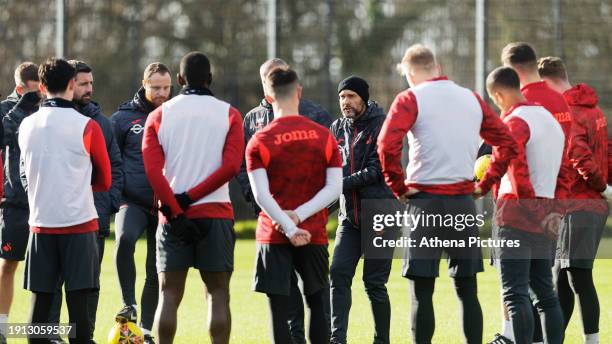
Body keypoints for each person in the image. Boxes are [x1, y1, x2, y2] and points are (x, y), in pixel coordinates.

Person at [377, 44, 518, 344]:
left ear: (411, 72)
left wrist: (398, 187)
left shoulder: (410, 98)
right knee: (467, 291)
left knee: (422, 293)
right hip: (462, 205)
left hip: (424, 204)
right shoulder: (470, 98)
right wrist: (486, 183)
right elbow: (507, 143)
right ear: (437, 67)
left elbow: (386, 145)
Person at [142, 52, 243, 344]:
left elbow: (152, 171)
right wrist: (192, 197)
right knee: (218, 293)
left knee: (168, 294)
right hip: (216, 214)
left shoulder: (158, 115)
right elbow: (231, 167)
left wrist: (176, 207)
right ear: (210, 79)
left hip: (173, 218)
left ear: (180, 80)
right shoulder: (229, 113)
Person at [237, 57, 333, 344]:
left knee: (278, 310)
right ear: (298, 91)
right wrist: (300, 217)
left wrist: (284, 220)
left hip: (273, 228)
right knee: (317, 303)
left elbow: (260, 192)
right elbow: (334, 186)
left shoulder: (260, 140)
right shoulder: (323, 136)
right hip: (311, 228)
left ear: (269, 93)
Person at [19, 57, 111, 344]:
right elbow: (105, 181)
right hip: (79, 227)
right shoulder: (88, 126)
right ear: (72, 84)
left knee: (39, 310)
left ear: (42, 86)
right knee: (79, 314)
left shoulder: (26, 125)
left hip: (40, 227)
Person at [488, 42, 574, 344]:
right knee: (546, 295)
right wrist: (554, 212)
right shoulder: (551, 118)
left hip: (516, 215)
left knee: (515, 292)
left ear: (499, 95)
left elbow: (517, 172)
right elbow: (565, 170)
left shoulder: (513, 121)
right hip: (547, 216)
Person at [43, 60, 123, 342]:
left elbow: (114, 167)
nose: (89, 89)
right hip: (51, 220)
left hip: (92, 221)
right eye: (83, 84)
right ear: (69, 85)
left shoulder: (100, 123)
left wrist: (108, 204)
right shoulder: (41, 122)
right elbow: (27, 169)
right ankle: (50, 337)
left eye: (91, 83)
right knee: (49, 289)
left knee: (88, 288)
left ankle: (83, 336)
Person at [539, 56, 609, 344]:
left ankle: (590, 341)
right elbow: (608, 149)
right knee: (562, 277)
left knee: (578, 278)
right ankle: (552, 339)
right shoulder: (595, 110)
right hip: (591, 206)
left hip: (579, 203)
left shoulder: (567, 111)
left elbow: (578, 155)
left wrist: (602, 186)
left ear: (546, 81)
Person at [329, 76, 395, 344]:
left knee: (374, 284)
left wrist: (337, 185)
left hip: (380, 216)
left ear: (364, 99)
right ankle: (337, 339)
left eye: (352, 96)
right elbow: (331, 170)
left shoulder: (382, 125)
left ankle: (382, 340)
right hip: (350, 219)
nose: (346, 102)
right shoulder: (335, 128)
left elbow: (376, 171)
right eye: (342, 96)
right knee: (338, 274)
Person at [111, 62, 172, 342]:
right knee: (124, 239)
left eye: (166, 87)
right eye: (156, 87)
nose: (162, 93)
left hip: (166, 205)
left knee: (154, 269)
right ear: (144, 84)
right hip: (132, 201)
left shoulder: (176, 114)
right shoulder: (123, 118)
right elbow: (112, 160)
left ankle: (145, 331)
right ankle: (128, 303)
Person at [0, 62, 39, 344]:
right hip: (15, 200)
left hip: (45, 201)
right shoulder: (6, 109)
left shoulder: (51, 107)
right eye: (33, 93)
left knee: (49, 270)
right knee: (8, 265)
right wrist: (21, 108)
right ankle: (2, 329)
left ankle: (43, 331)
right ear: (20, 88)